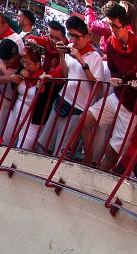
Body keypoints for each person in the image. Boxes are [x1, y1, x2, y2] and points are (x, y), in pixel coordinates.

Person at [36, 16, 105, 158]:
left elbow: (97, 88)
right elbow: (66, 75)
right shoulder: (70, 50)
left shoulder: (95, 58)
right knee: (44, 146)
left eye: (76, 36)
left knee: (61, 153)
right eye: (71, 35)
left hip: (78, 109)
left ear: (86, 37)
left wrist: (81, 61)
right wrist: (62, 55)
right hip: (62, 100)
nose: (73, 40)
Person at [80, 2, 137, 171]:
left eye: (115, 26)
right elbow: (114, 70)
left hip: (132, 108)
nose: (111, 30)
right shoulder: (111, 43)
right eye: (109, 24)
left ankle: (97, 183)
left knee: (112, 154)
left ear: (126, 26)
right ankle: (87, 165)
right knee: (84, 120)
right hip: (118, 97)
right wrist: (115, 78)